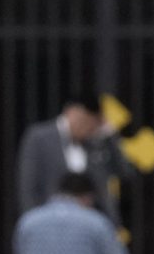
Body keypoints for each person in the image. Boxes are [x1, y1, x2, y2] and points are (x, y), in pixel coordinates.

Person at [17, 93, 126, 221]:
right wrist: (34, 222)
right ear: (72, 113)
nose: (89, 130)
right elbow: (28, 186)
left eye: (93, 126)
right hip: (51, 222)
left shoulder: (97, 142)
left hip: (91, 222)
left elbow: (124, 172)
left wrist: (110, 136)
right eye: (86, 122)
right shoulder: (39, 137)